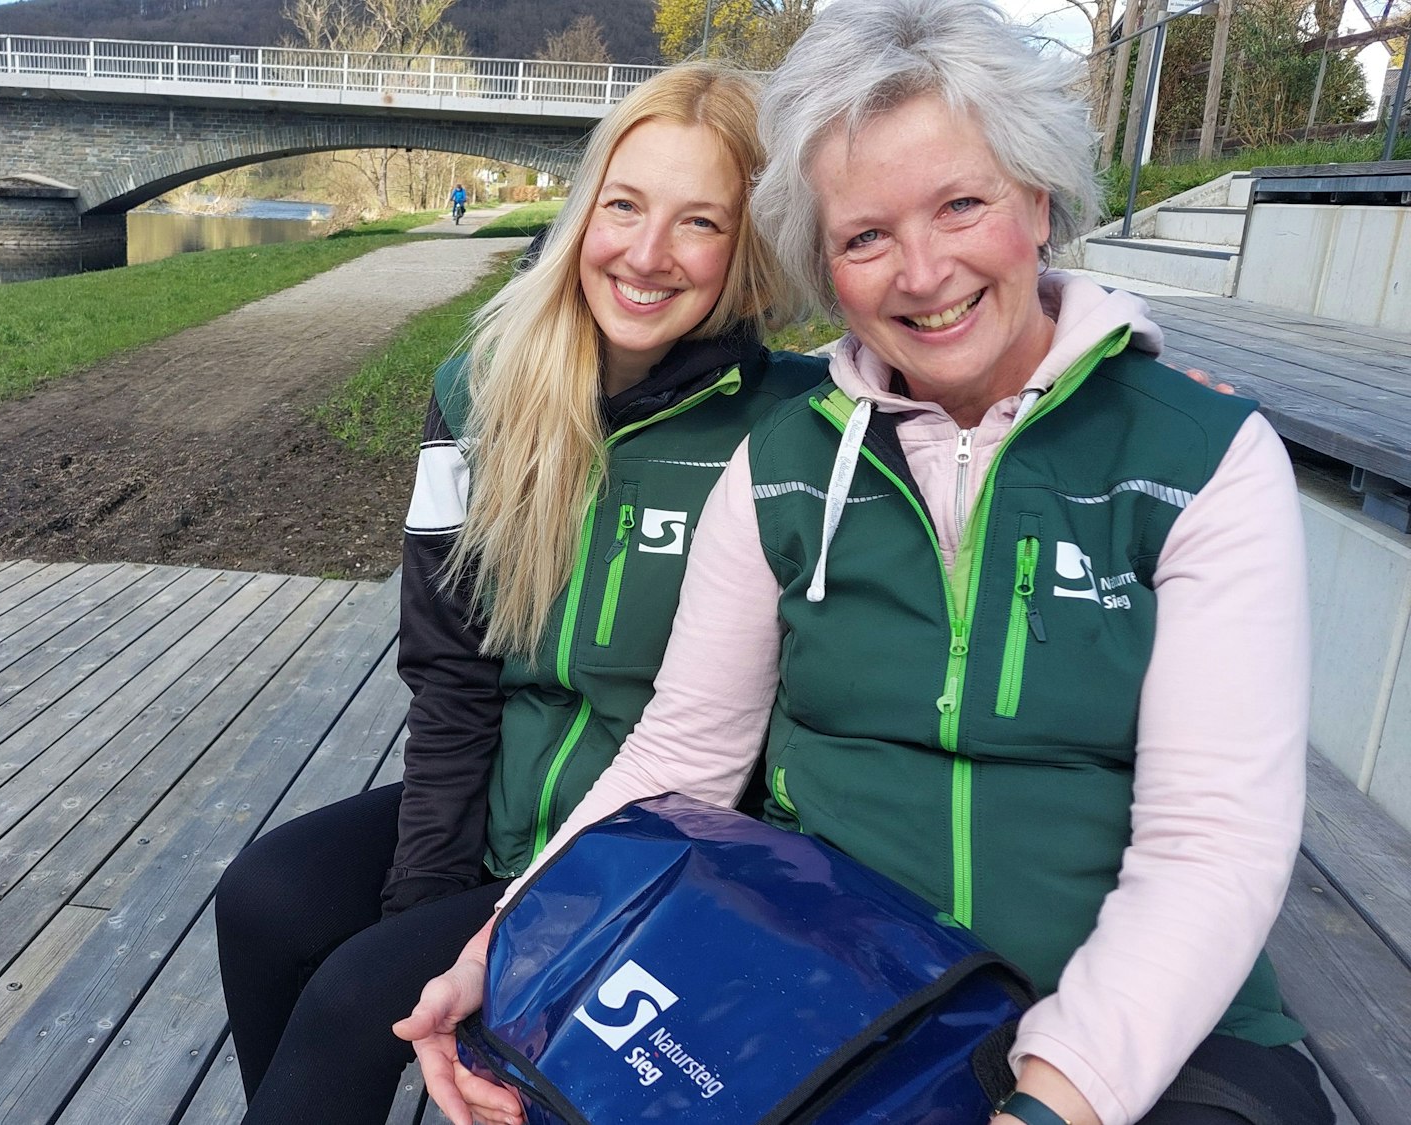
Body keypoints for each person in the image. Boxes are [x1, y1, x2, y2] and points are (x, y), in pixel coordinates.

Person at [397, 4, 1331, 1125]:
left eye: (961, 204)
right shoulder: (785, 463)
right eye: (864, 236)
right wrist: (505, 947)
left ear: (1036, 200)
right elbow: (684, 750)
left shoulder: (1197, 461)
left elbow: (1209, 843)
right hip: (832, 985)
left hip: (1152, 1022)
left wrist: (1051, 1098)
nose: (921, 272)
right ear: (822, 266)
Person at [213, 61, 821, 1124]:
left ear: (748, 246)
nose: (644, 253)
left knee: (355, 1001)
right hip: (502, 801)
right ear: (584, 208)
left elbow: (960, 370)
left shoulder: (795, 424)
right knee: (264, 899)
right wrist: (424, 893)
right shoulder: (478, 386)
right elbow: (450, 671)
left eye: (697, 223)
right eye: (622, 206)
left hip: (658, 855)